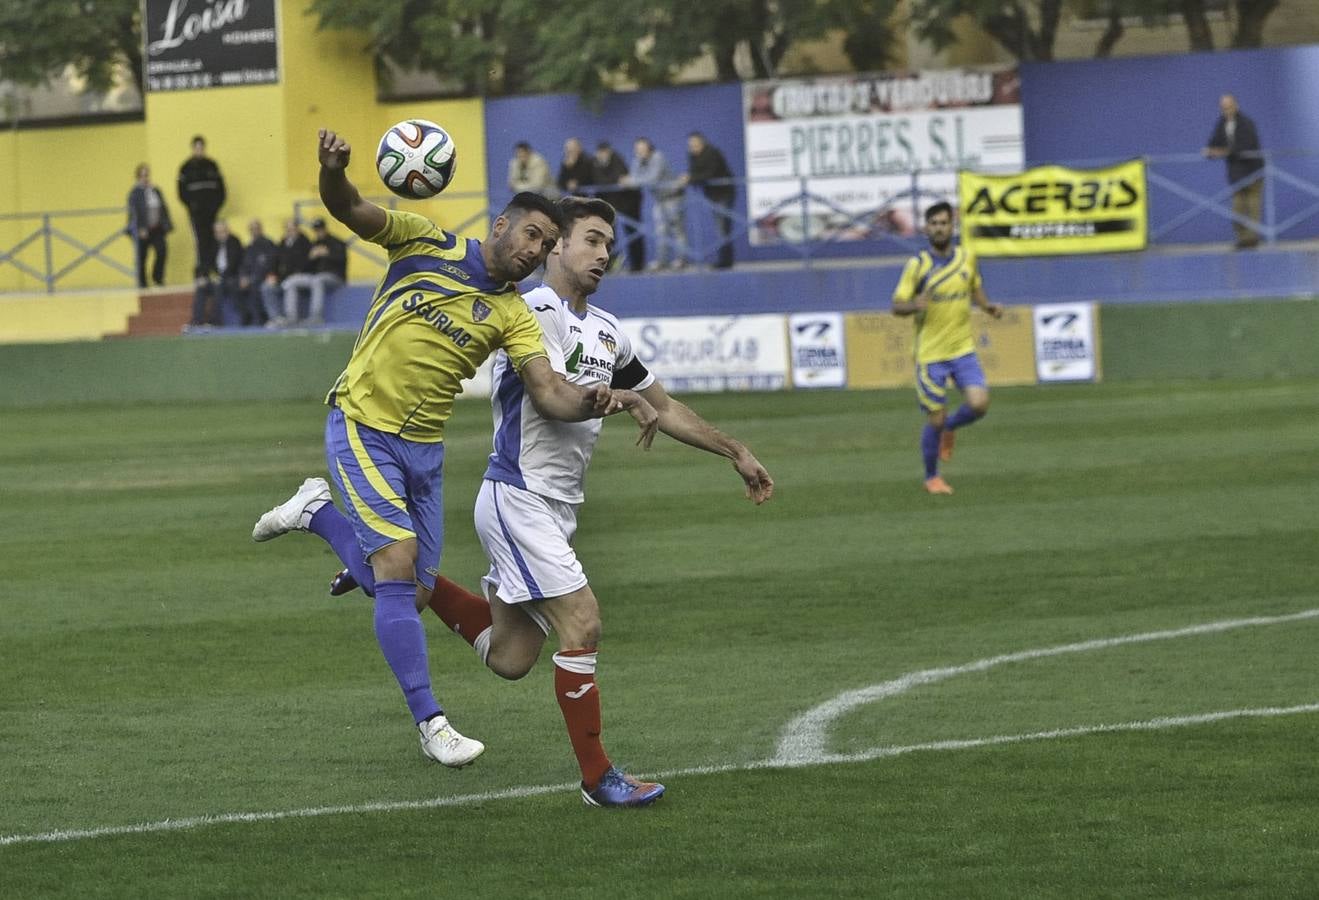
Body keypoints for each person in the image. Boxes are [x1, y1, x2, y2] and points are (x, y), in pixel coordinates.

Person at [318, 196, 773, 807]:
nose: (602, 254)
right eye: (590, 240)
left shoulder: (608, 331)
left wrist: (735, 450)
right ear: (556, 246)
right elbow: (557, 394)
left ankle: (339, 532)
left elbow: (662, 407)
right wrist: (611, 397)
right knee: (582, 623)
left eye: (609, 244)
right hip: (518, 494)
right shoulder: (530, 310)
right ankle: (598, 778)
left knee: (509, 657)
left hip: (558, 506)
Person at [251, 129, 658, 771]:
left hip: (423, 449)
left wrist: (601, 398)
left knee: (409, 593)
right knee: (397, 569)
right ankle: (432, 722)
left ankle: (316, 513)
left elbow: (549, 393)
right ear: (501, 226)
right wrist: (331, 171)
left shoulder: (514, 315)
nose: (536, 252)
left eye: (548, 246)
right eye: (531, 236)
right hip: (361, 422)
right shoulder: (422, 239)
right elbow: (348, 207)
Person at [891, 201, 1002, 495]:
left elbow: (975, 287)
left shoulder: (967, 258)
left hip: (962, 348)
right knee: (934, 418)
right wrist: (914, 305)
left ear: (952, 226)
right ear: (926, 228)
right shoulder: (918, 266)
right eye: (934, 223)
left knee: (979, 404)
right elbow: (897, 305)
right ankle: (932, 477)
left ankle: (950, 428)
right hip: (930, 354)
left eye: (944, 223)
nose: (940, 228)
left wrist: (988, 306)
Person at [1203, 93, 1264, 249]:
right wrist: (1210, 150)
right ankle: (1242, 239)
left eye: (1229, 106)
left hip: (1252, 171)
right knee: (1237, 208)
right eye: (1223, 107)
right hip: (1236, 174)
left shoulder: (1246, 122)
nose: (1226, 110)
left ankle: (1252, 239)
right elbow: (1214, 141)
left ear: (1236, 105)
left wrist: (1222, 152)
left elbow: (1246, 145)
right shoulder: (1222, 123)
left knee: (1252, 206)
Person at [629, 138, 687, 270]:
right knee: (660, 231)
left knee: (677, 230)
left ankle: (681, 260)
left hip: (673, 197)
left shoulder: (658, 157)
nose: (640, 152)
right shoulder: (638, 160)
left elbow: (652, 178)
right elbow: (634, 176)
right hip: (659, 199)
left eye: (642, 149)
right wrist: (635, 178)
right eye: (637, 150)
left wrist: (633, 181)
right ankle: (662, 261)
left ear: (649, 148)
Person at [681, 132, 736, 269]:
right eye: (691, 145)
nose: (693, 147)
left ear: (703, 143)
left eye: (696, 144)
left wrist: (690, 178)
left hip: (724, 193)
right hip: (712, 195)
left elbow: (710, 174)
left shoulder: (713, 153)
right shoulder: (692, 156)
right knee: (720, 229)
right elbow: (693, 173)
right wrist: (689, 177)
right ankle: (724, 260)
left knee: (723, 229)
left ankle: (725, 262)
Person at [280, 217, 347, 326]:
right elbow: (306, 267)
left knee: (317, 280)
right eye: (316, 230)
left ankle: (316, 317)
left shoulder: (336, 242)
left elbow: (342, 260)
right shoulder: (314, 244)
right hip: (316, 276)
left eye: (320, 229)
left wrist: (327, 254)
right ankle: (291, 317)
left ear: (325, 228)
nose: (318, 232)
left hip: (335, 276)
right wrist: (311, 257)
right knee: (291, 282)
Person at [176, 135, 226, 280]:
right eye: (197, 147)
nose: (199, 150)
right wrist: (192, 206)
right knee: (200, 240)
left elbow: (221, 190)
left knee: (213, 238)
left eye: (201, 147)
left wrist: (216, 206)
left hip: (212, 211)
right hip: (196, 213)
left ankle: (214, 267)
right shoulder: (185, 168)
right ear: (193, 149)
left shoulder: (212, 165)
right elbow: (181, 192)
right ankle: (203, 270)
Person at [592, 142, 644, 272]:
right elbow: (599, 181)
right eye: (600, 153)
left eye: (604, 152)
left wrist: (611, 181)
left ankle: (637, 266)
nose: (602, 155)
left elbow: (618, 178)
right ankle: (610, 264)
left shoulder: (618, 160)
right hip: (610, 206)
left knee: (633, 232)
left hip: (628, 203)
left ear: (609, 152)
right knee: (609, 236)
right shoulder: (595, 163)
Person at [188, 219, 244, 328]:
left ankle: (214, 321)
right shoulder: (214, 244)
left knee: (218, 286)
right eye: (217, 232)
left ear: (227, 231)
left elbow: (233, 264)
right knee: (201, 287)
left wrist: (220, 277)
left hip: (231, 277)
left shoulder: (234, 242)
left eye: (222, 231)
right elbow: (206, 262)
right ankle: (197, 320)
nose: (219, 235)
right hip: (216, 278)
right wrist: (202, 277)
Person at [126, 164, 173, 288]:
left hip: (157, 228)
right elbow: (132, 213)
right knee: (142, 257)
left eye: (146, 175)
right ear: (138, 177)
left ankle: (158, 277)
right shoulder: (134, 193)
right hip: (143, 230)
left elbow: (163, 208)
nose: (145, 178)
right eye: (142, 175)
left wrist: (166, 225)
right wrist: (139, 228)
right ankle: (142, 282)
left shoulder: (155, 191)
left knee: (162, 251)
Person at [263, 220, 311, 327]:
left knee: (290, 284)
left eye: (292, 229)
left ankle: (291, 318)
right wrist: (272, 274)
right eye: (288, 229)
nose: (290, 231)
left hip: (301, 276)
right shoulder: (283, 242)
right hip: (283, 277)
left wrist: (295, 273)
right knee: (266, 287)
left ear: (298, 229)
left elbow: (307, 262)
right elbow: (275, 260)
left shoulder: (305, 242)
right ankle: (276, 318)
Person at [237, 219, 277, 327]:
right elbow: (243, 265)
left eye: (256, 229)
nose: (254, 231)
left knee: (255, 286)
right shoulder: (249, 247)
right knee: (235, 286)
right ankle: (246, 317)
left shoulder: (268, 244)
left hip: (264, 277)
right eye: (252, 229)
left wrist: (252, 278)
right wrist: (243, 277)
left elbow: (269, 264)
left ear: (261, 229)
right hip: (251, 278)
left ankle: (261, 319)